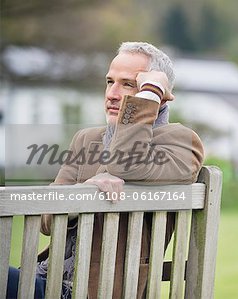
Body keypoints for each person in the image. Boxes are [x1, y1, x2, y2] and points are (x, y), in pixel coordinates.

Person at [7, 42, 204, 298]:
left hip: (93, 291)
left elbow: (124, 162)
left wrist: (151, 90)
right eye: (110, 82)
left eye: (128, 85)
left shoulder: (181, 142)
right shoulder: (87, 139)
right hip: (47, 277)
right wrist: (82, 193)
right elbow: (46, 219)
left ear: (159, 95)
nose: (112, 93)